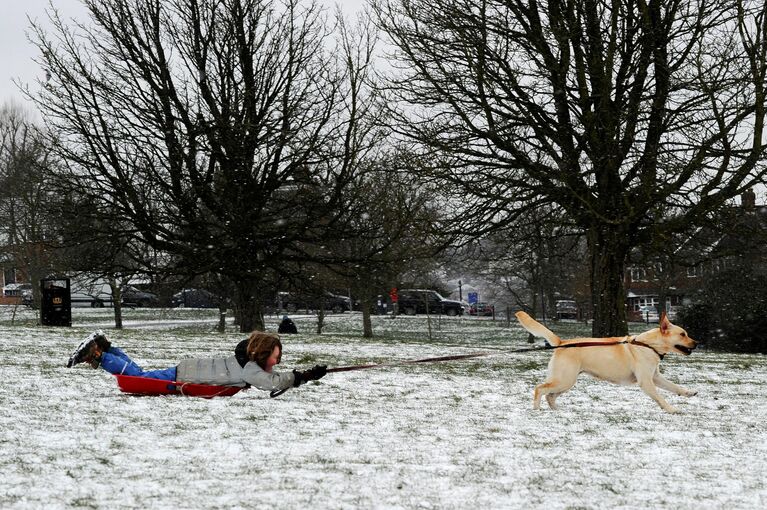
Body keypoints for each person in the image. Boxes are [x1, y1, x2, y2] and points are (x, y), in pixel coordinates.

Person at [67, 330, 326, 393]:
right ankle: (98, 355)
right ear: (261, 354)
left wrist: (304, 375)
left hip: (187, 368)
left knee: (141, 373)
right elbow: (271, 383)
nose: (278, 360)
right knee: (138, 378)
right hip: (184, 374)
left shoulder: (244, 362)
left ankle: (106, 347)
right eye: (276, 356)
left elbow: (270, 377)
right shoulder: (249, 369)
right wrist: (302, 376)